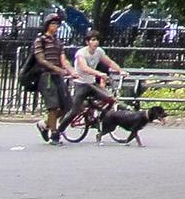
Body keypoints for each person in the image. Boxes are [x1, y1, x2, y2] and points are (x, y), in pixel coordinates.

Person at [55, 30, 124, 145]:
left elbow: (109, 62)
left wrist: (120, 70)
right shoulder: (81, 53)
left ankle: (100, 119)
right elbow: (84, 68)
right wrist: (99, 74)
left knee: (110, 99)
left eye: (97, 40)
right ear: (87, 42)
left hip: (92, 84)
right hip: (81, 84)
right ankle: (58, 132)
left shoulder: (99, 52)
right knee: (74, 111)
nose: (95, 42)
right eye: (93, 40)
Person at [32, 14, 75, 144]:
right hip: (46, 76)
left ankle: (44, 124)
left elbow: (63, 59)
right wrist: (57, 69)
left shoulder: (57, 42)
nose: (55, 26)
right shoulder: (40, 40)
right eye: (53, 24)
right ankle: (54, 134)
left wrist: (72, 71)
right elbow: (41, 59)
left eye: (57, 24)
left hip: (57, 76)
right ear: (47, 25)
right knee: (53, 106)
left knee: (67, 105)